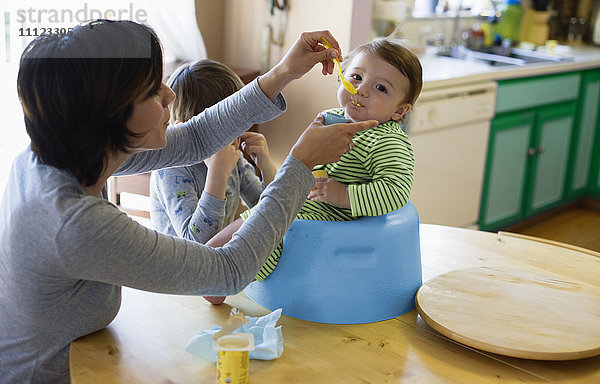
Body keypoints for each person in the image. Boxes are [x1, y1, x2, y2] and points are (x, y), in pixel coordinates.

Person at [0, 19, 377, 383]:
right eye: (152, 91)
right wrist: (300, 164)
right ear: (108, 115)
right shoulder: (75, 223)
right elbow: (229, 270)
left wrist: (284, 71)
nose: (170, 94)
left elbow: (196, 137)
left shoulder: (59, 152)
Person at [216, 38, 423, 282]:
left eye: (381, 88)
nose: (362, 89)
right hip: (302, 207)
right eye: (356, 77)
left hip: (333, 221)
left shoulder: (388, 142)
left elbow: (395, 192)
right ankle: (212, 267)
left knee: (256, 231)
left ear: (399, 111)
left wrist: (341, 194)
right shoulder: (328, 118)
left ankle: (220, 279)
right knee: (251, 222)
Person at [150, 60, 276, 304]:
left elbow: (268, 209)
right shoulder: (172, 168)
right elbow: (194, 244)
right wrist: (218, 173)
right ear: (185, 130)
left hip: (215, 274)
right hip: (175, 284)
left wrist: (267, 166)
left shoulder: (232, 156)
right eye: (227, 128)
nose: (237, 135)